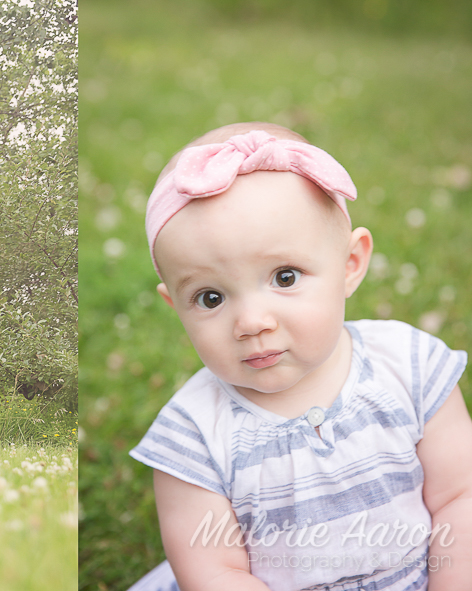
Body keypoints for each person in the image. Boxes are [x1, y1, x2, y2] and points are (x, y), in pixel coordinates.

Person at [127, 122, 472, 590]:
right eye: (210, 298)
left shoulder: (410, 366)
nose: (252, 322)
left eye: (285, 277)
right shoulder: (191, 434)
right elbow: (215, 574)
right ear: (176, 307)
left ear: (350, 265)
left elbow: (460, 496)